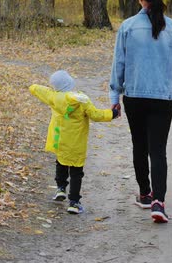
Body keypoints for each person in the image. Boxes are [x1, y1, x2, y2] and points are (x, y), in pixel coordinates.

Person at [109, 0, 172, 223]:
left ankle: (144, 194)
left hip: (135, 97)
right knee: (158, 150)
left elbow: (118, 65)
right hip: (162, 98)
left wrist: (114, 96)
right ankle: (158, 202)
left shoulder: (128, 27)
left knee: (140, 146)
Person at [30, 70, 118, 214]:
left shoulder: (53, 97)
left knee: (61, 162)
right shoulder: (81, 100)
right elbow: (95, 115)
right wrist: (112, 114)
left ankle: (61, 188)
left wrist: (33, 87)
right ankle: (74, 202)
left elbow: (38, 89)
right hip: (77, 143)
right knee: (76, 171)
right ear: (70, 83)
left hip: (60, 140)